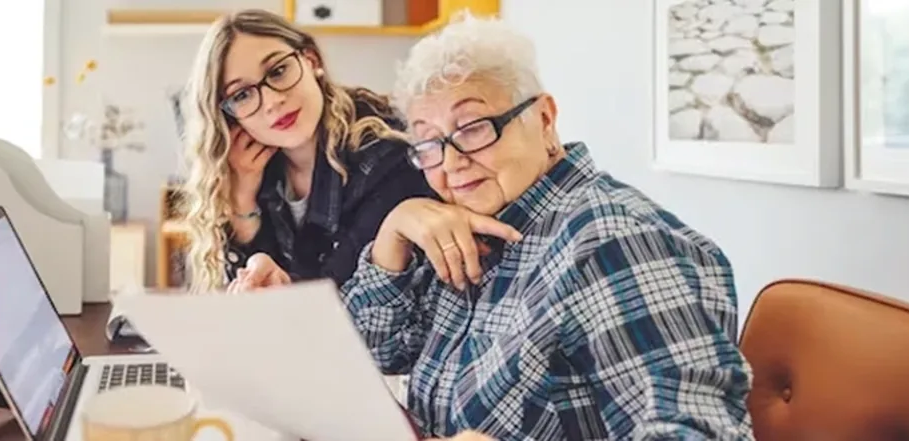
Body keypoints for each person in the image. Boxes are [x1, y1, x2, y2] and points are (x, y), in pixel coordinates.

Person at [238, 14, 755, 441]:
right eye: (429, 144)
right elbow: (376, 352)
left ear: (545, 119)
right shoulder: (483, 228)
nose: (451, 162)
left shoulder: (615, 242)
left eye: (473, 128)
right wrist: (392, 238)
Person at [177, 9, 434, 294]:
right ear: (229, 117)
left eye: (278, 71)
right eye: (242, 95)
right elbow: (250, 295)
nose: (272, 101)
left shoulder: (383, 153)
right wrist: (242, 202)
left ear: (311, 61)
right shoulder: (255, 168)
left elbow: (345, 299)